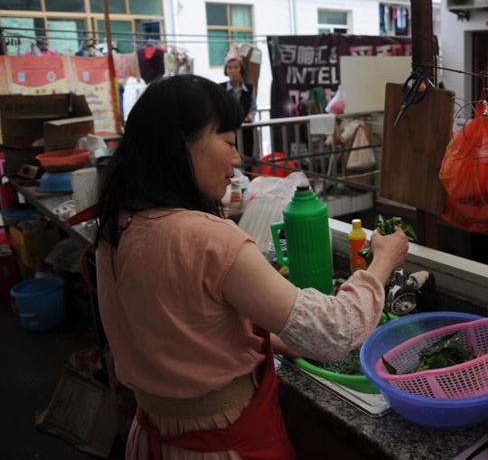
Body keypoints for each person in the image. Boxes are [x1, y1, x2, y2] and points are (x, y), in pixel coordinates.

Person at [94, 74, 409, 460]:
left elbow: (182, 330)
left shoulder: (116, 226)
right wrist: (382, 262)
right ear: (180, 145)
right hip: (221, 445)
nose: (237, 159)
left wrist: (272, 338)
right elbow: (335, 331)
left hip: (151, 438)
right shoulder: (208, 239)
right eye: (228, 142)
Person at [221, 53, 257, 162]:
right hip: (228, 130)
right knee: (231, 160)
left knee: (247, 158)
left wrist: (250, 117)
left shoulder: (249, 88)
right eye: (229, 68)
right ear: (226, 71)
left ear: (242, 70)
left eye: (236, 67)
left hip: (246, 130)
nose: (232, 71)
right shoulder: (221, 88)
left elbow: (253, 108)